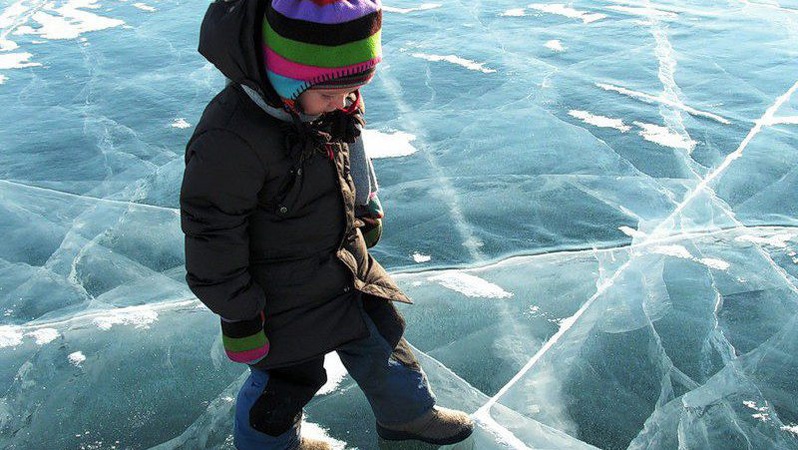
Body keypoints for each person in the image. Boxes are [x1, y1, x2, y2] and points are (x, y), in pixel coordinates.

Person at [179, 0, 475, 448]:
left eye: (352, 91)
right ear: (285, 78)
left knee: (384, 342)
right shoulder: (230, 138)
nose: (341, 104)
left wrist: (364, 207)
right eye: (328, 95)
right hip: (280, 294)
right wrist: (240, 313)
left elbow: (350, 154)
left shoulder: (329, 101)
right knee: (286, 382)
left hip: (345, 265)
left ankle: (408, 416)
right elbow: (211, 234)